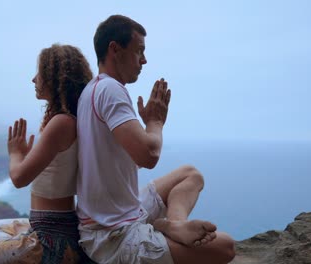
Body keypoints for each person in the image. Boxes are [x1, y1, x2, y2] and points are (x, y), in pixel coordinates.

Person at [76, 15, 236, 264]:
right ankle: (170, 229)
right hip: (113, 238)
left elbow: (124, 159)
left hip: (120, 215)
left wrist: (146, 127)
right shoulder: (111, 90)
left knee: (190, 175)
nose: (144, 60)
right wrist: (155, 123)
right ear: (115, 49)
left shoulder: (93, 90)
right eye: (139, 51)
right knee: (225, 247)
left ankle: (174, 226)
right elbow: (148, 156)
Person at [0, 44, 93, 264]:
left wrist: (16, 154)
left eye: (40, 73)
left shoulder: (61, 123)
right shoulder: (71, 120)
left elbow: (19, 178)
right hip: (53, 228)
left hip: (51, 240)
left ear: (55, 78)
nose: (34, 79)